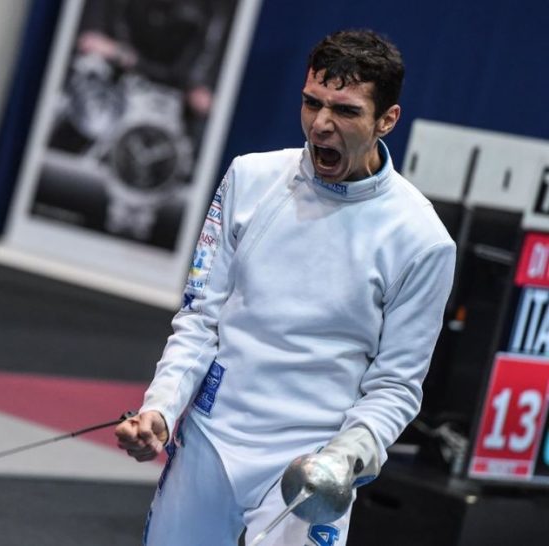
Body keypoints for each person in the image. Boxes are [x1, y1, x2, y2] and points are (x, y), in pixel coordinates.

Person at [115, 29, 456, 545]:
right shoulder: (249, 179)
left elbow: (396, 385)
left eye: (345, 111)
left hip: (311, 463)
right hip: (212, 437)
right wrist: (160, 409)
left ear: (387, 120)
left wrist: (343, 460)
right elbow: (201, 317)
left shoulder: (422, 239)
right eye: (312, 102)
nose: (320, 124)